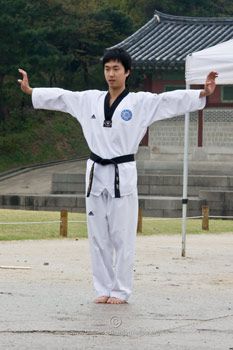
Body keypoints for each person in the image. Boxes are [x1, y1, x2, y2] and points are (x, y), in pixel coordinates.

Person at [18, 48, 217, 304]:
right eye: (107, 69)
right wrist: (32, 91)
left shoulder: (140, 103)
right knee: (98, 235)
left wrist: (202, 93)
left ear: (127, 72)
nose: (111, 74)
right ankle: (103, 288)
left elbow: (168, 100)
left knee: (122, 236)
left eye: (116, 69)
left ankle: (121, 290)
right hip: (95, 173)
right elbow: (63, 98)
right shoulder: (89, 100)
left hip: (122, 173)